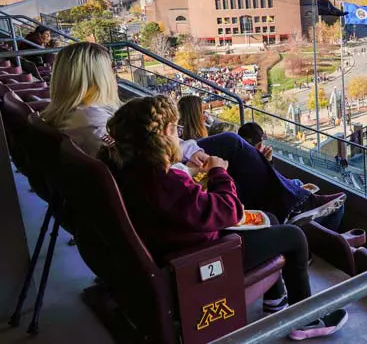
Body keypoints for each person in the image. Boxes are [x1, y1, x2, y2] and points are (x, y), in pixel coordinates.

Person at [97, 96, 347, 340]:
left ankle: (275, 300)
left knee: (269, 218)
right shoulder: (165, 185)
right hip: (202, 257)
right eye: (176, 130)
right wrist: (219, 172)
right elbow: (229, 210)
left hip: (177, 245)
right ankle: (305, 319)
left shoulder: (131, 170)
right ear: (164, 134)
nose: (179, 136)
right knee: (294, 237)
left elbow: (182, 199)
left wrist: (191, 172)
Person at [41, 42, 342, 229]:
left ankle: (288, 192)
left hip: (147, 178)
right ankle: (293, 203)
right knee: (231, 144)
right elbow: (144, 158)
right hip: (150, 192)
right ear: (93, 76)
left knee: (231, 147)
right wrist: (189, 165)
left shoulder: (71, 114)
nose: (114, 73)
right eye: (108, 69)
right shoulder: (93, 121)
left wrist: (187, 152)